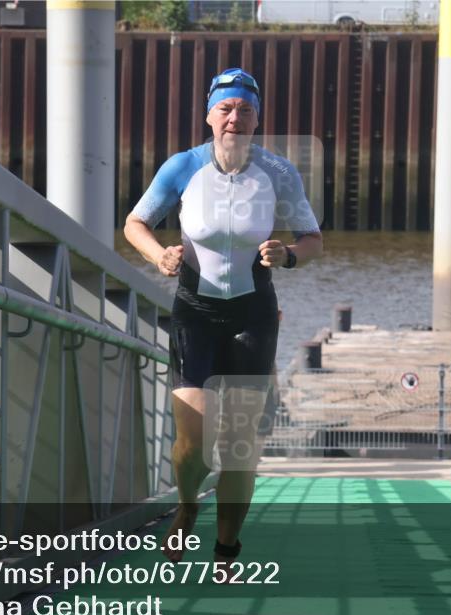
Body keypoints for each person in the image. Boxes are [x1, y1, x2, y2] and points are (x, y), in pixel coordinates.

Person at [123, 68, 323, 569]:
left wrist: (290, 255)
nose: (235, 117)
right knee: (193, 440)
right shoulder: (182, 167)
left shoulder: (278, 173)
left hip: (253, 314)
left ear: (257, 118)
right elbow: (135, 223)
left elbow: (312, 239)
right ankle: (188, 508)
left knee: (240, 443)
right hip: (196, 312)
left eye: (246, 109)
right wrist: (157, 256)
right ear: (209, 115)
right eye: (226, 108)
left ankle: (227, 548)